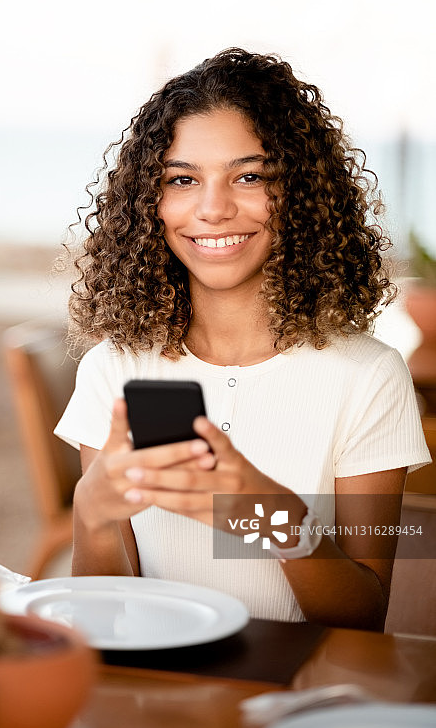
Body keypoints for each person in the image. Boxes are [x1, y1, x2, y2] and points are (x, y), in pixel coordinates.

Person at [55, 48, 430, 630]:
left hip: (298, 699)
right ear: (149, 204)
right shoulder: (114, 368)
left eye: (249, 176)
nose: (213, 208)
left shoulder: (368, 375)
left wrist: (268, 514)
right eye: (182, 179)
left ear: (303, 196)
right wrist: (93, 515)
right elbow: (101, 613)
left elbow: (360, 617)